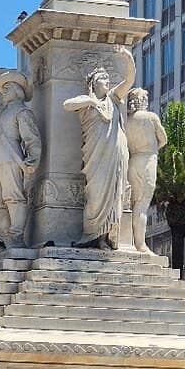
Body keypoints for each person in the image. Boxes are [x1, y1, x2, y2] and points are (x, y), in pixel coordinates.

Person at [63, 51, 135, 249]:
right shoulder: (86, 101)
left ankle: (104, 238)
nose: (107, 80)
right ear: (94, 83)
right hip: (95, 156)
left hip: (115, 153)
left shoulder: (114, 98)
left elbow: (129, 80)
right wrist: (92, 101)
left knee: (114, 196)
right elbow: (67, 105)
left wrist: (128, 59)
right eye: (103, 78)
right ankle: (91, 235)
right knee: (95, 197)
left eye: (108, 78)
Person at [0, 70, 42, 248]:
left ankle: (17, 236)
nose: (4, 92)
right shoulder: (2, 113)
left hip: (11, 158)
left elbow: (31, 137)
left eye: (7, 88)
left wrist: (33, 158)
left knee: (13, 198)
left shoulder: (22, 111)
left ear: (17, 90)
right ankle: (11, 233)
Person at [124, 87, 167, 254]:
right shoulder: (151, 117)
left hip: (132, 161)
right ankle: (140, 245)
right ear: (142, 101)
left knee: (131, 203)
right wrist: (153, 148)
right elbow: (163, 139)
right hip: (148, 159)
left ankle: (129, 241)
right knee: (142, 205)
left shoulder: (126, 120)